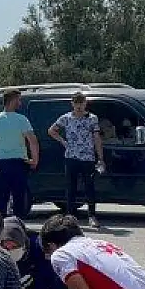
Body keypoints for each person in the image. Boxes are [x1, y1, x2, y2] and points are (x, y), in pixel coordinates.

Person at [47, 91, 105, 229]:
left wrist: (100, 157)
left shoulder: (92, 118)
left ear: (85, 103)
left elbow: (97, 138)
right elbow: (51, 130)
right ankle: (70, 216)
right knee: (70, 187)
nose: (79, 106)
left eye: (81, 102)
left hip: (87, 157)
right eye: (76, 103)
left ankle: (91, 215)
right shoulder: (66, 118)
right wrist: (62, 141)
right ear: (72, 104)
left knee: (89, 187)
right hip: (71, 157)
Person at [0, 88, 39, 219]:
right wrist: (34, 159)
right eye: (18, 99)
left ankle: (1, 225)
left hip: (1, 162)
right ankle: (18, 224)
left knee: (2, 196)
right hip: (19, 162)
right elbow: (33, 141)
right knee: (19, 196)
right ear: (12, 100)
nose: (20, 102)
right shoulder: (21, 120)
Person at [0, 216, 74, 289]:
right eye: (6, 247)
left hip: (31, 280)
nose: (10, 251)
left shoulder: (37, 246)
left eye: (14, 247)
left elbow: (47, 271)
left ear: (24, 245)